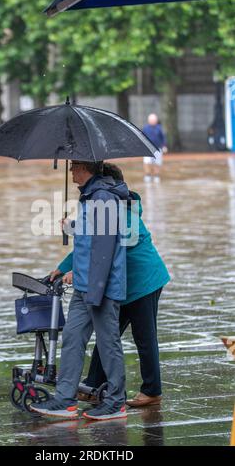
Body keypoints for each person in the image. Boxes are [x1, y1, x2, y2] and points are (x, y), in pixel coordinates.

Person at [52, 163, 170, 408]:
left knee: (144, 337)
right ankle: (94, 382)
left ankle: (152, 389)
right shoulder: (105, 203)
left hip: (143, 282)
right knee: (108, 333)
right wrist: (64, 264)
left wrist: (75, 270)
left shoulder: (120, 208)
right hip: (120, 284)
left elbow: (110, 246)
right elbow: (89, 240)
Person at [30, 160, 129, 420]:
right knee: (72, 339)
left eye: (74, 165)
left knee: (108, 344)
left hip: (100, 289)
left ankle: (117, 402)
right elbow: (91, 235)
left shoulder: (103, 197)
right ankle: (64, 400)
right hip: (84, 286)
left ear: (86, 168)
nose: (71, 169)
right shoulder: (90, 197)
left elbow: (104, 249)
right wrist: (71, 227)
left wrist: (96, 291)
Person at [142, 114, 168, 183]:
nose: (153, 121)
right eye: (151, 120)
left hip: (157, 148)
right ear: (149, 121)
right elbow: (142, 137)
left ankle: (156, 175)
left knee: (157, 162)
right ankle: (147, 175)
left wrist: (164, 146)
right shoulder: (145, 128)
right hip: (147, 148)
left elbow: (163, 138)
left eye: (154, 120)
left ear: (156, 121)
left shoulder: (159, 128)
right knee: (147, 162)